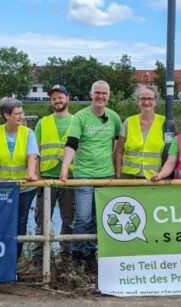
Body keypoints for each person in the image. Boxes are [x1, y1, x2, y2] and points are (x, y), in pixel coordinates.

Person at [60, 80, 122, 270]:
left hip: (106, 176)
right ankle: (77, 255)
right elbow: (72, 143)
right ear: (91, 94)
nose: (100, 97)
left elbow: (120, 146)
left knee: (99, 218)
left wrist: (118, 174)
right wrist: (65, 167)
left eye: (104, 93)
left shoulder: (114, 118)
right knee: (83, 217)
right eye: (97, 93)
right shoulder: (80, 117)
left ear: (109, 96)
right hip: (84, 174)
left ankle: (92, 254)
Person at [0, 98, 39, 262]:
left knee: (20, 224)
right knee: (1, 222)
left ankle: (14, 263)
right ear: (6, 115)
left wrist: (31, 174)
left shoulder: (28, 133)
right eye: (17, 113)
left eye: (21, 113)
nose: (21, 116)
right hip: (0, 187)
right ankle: (0, 260)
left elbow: (32, 156)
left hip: (24, 188)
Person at [32, 85, 74, 263]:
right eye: (54, 98)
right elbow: (35, 151)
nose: (57, 101)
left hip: (70, 178)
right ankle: (39, 259)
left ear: (67, 98)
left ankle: (66, 258)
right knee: (42, 219)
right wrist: (38, 177)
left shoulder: (77, 120)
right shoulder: (43, 122)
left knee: (69, 219)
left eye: (60, 97)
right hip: (47, 178)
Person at [114, 85, 165, 179]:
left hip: (154, 178)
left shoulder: (164, 123)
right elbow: (119, 151)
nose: (146, 102)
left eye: (150, 98)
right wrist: (118, 175)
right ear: (138, 101)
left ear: (155, 101)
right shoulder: (129, 122)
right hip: (128, 176)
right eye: (143, 99)